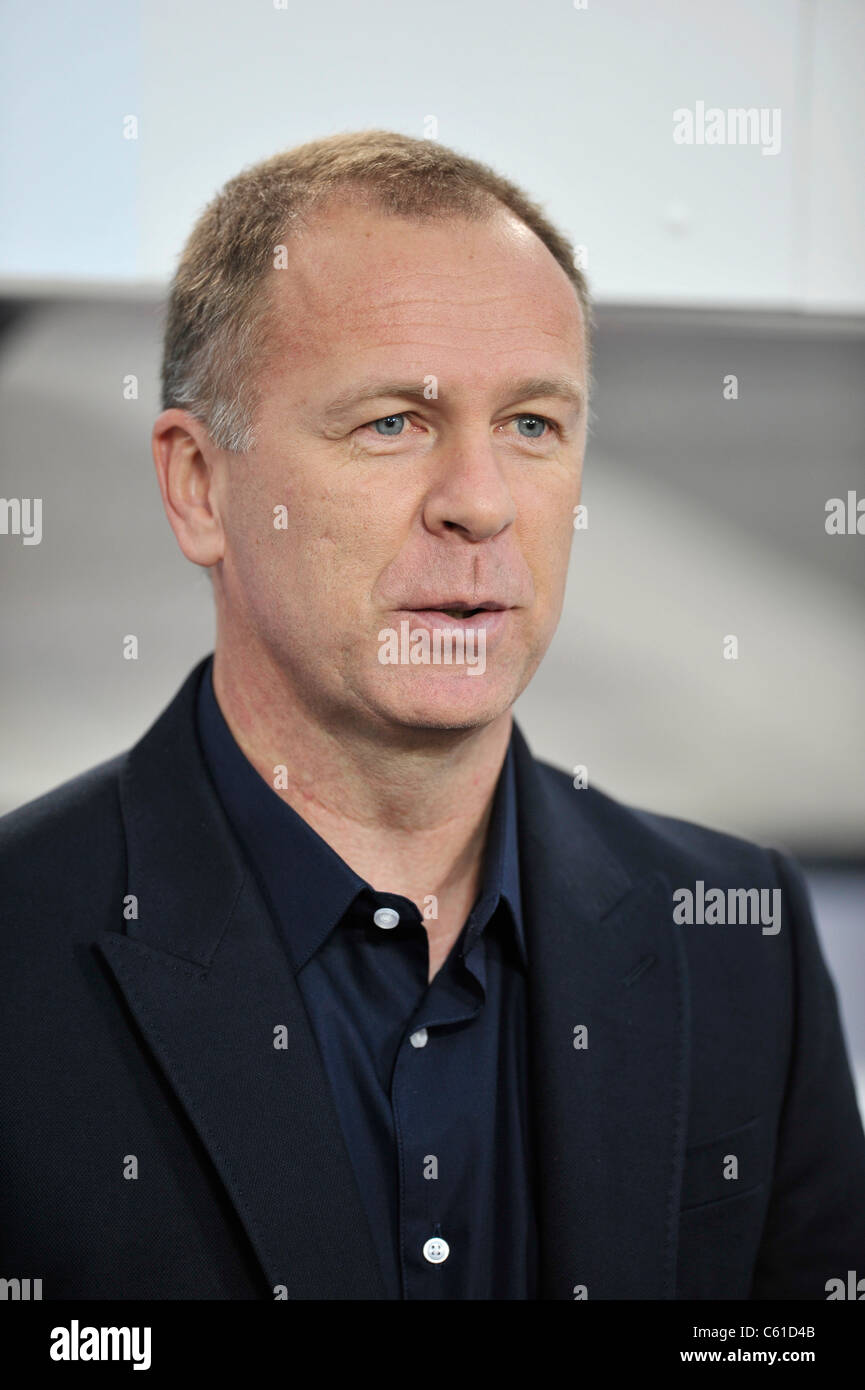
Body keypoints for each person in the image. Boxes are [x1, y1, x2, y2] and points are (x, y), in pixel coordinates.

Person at [1, 130, 863, 1301]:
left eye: (531, 425)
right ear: (199, 486)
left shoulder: (739, 943)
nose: (479, 503)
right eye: (392, 423)